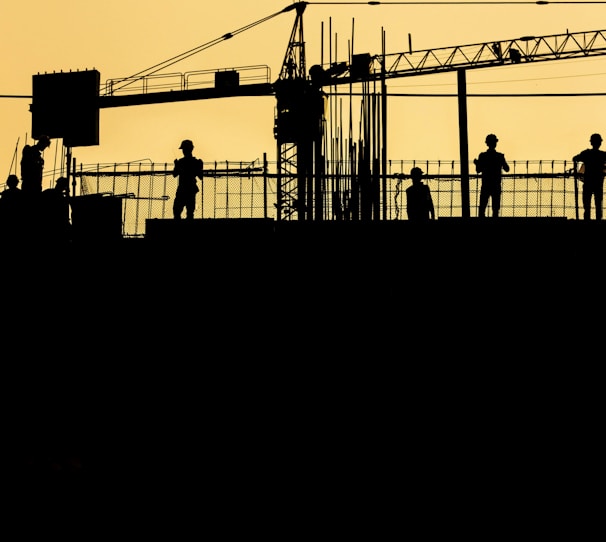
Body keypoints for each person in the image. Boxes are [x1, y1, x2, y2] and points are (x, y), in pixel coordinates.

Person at [474, 133, 510, 218]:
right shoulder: (500, 156)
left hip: (486, 185)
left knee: (482, 208)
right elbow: (507, 169)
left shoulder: (483, 156)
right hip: (496, 185)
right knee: (495, 209)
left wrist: (477, 163)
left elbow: (478, 170)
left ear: (487, 143)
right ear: (495, 143)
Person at [573, 133, 606, 220]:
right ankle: (598, 219)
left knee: (587, 205)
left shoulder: (586, 154)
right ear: (600, 143)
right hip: (598, 183)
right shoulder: (603, 155)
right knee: (598, 205)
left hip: (588, 183)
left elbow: (575, 158)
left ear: (591, 143)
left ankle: (587, 220)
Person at [172, 139, 204, 220]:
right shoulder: (195, 162)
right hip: (189, 189)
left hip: (183, 189)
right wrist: (200, 166)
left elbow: (174, 174)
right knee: (188, 212)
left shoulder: (181, 162)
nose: (183, 151)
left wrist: (176, 165)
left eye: (184, 149)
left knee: (178, 211)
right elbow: (200, 176)